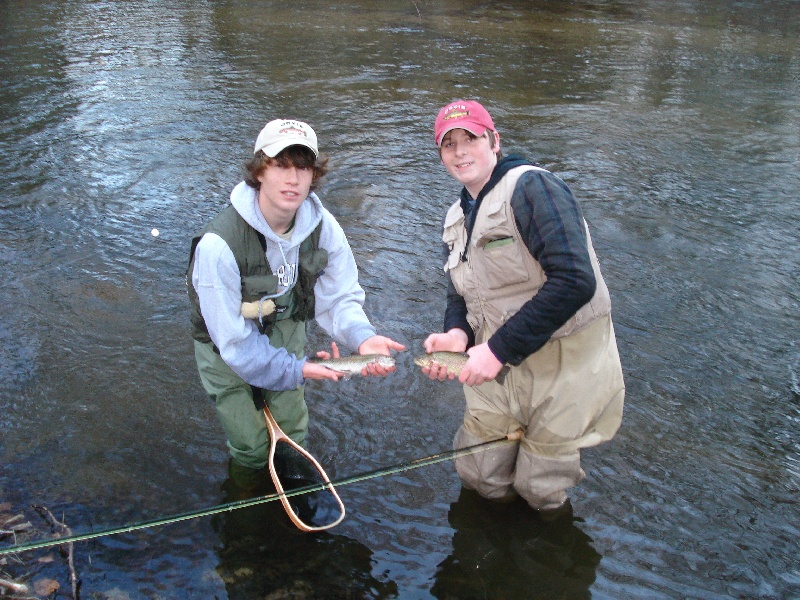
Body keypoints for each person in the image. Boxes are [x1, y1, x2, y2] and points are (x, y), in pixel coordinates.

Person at [420, 100, 624, 520]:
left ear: (495, 141)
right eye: (448, 144)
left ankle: (547, 561)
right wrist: (456, 334)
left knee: (540, 485)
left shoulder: (535, 189)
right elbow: (459, 293)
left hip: (563, 367)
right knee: (480, 473)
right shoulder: (457, 215)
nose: (460, 152)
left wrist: (495, 351)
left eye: (470, 139)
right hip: (493, 364)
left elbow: (575, 281)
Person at [188, 118, 405, 496]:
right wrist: (301, 368)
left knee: (293, 434)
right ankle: (249, 520)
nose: (292, 179)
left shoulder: (324, 228)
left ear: (314, 175)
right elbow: (235, 345)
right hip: (224, 348)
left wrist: (362, 338)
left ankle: (294, 513)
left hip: (286, 333)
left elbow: (340, 297)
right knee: (252, 448)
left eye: (302, 167)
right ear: (259, 170)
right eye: (280, 165)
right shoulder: (217, 246)